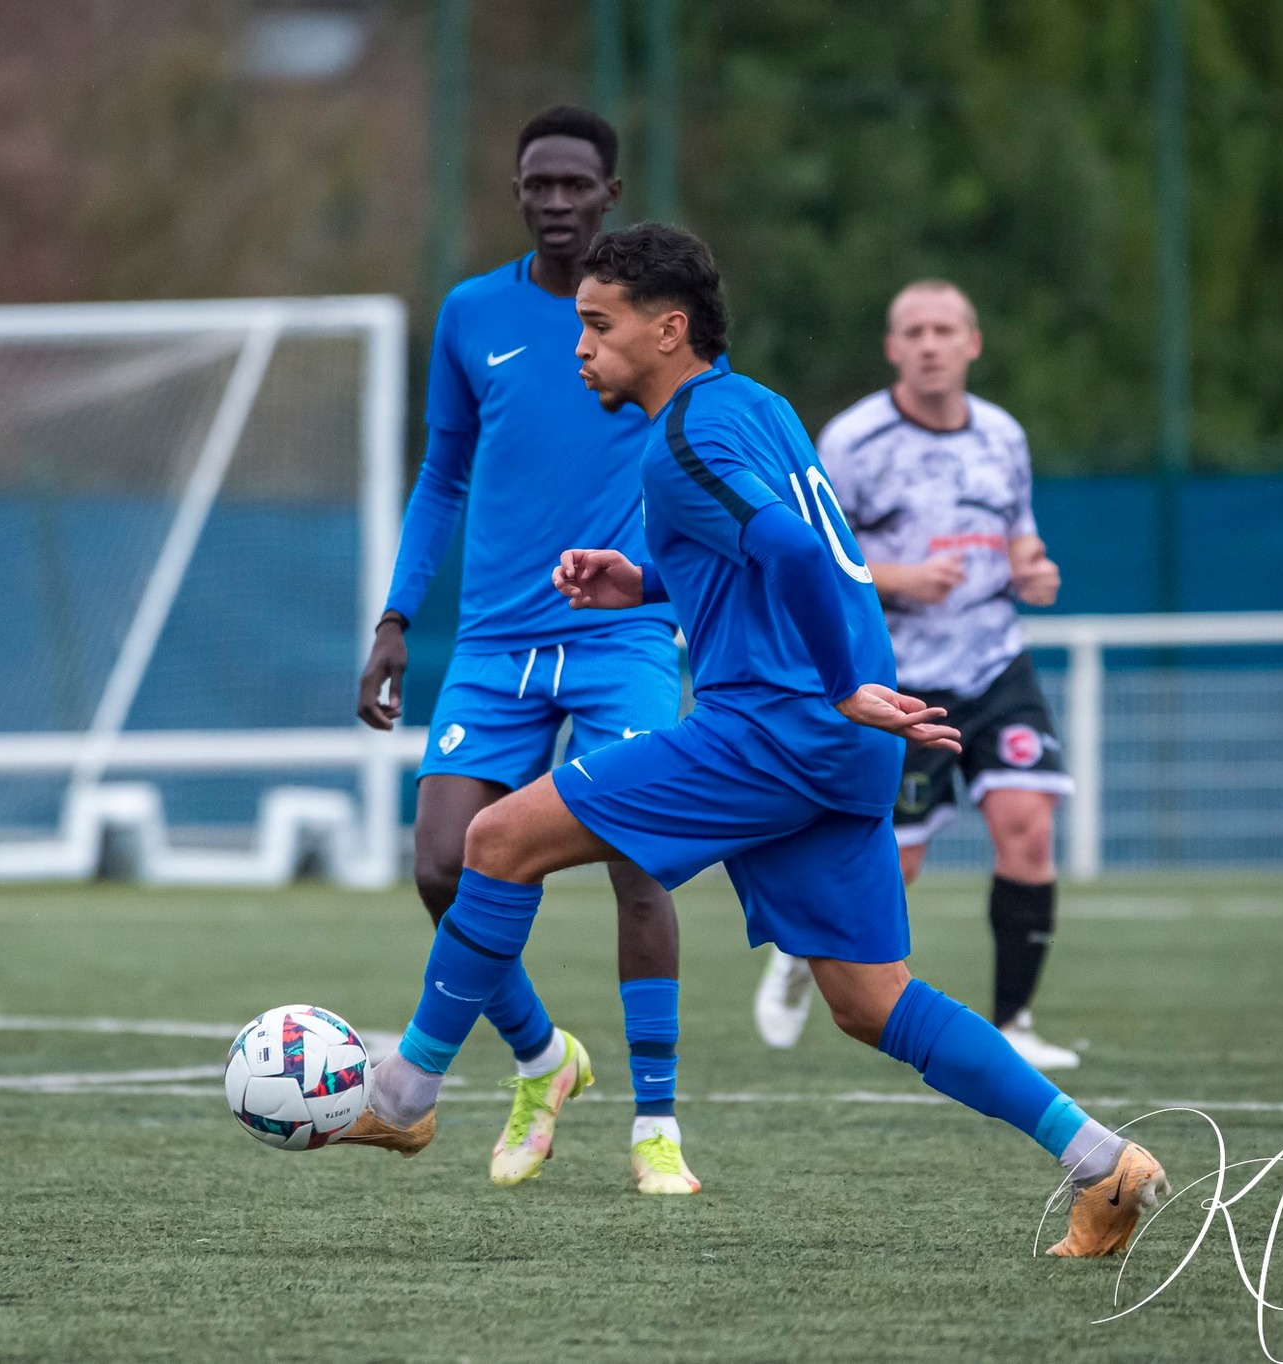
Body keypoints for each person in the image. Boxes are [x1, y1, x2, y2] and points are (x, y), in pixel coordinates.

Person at [342, 223, 1166, 1250]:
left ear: (667, 329)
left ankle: (406, 1092)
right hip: (834, 745)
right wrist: (643, 580)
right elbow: (773, 543)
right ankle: (1101, 1161)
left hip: (772, 729)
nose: (579, 346)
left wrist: (839, 685)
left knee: (495, 842)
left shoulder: (679, 442)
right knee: (869, 1001)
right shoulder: (754, 406)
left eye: (598, 325)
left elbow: (786, 548)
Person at [352, 106, 691, 1194]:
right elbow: (442, 474)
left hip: (622, 631)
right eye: (536, 184)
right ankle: (545, 1059)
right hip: (494, 640)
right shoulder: (469, 315)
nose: (555, 202)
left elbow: (702, 448)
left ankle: (656, 1129)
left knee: (640, 866)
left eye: (574, 185)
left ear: (608, 193)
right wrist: (396, 615)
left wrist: (686, 593)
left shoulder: (653, 324)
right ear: (514, 192)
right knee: (442, 866)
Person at [751, 280, 1077, 1071]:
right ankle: (801, 952)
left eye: (945, 329)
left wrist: (1032, 568)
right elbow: (813, 557)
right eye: (914, 331)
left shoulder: (1003, 435)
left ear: (973, 343)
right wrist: (897, 579)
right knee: (895, 862)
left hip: (995, 662)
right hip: (899, 678)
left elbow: (1019, 537)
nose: (930, 343)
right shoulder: (853, 441)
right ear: (894, 348)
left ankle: (1016, 1021)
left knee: (1029, 828)